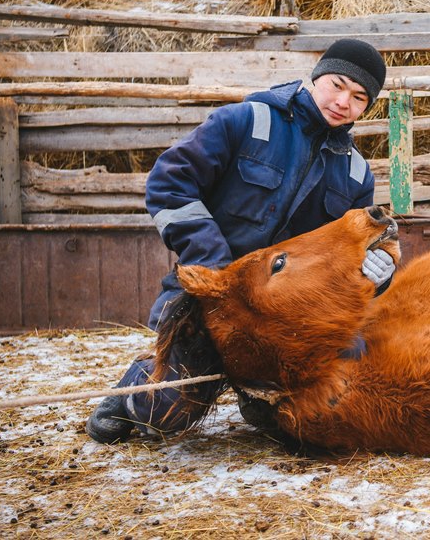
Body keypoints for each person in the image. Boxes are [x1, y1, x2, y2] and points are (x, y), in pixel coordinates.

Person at [86, 38, 395, 443]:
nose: (343, 102)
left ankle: (259, 400)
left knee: (335, 394)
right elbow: (169, 183)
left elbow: (352, 252)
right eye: (337, 85)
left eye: (358, 98)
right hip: (215, 297)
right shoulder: (247, 121)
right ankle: (134, 393)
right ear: (317, 77)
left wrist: (379, 274)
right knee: (166, 413)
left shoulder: (356, 175)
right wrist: (213, 264)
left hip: (289, 319)